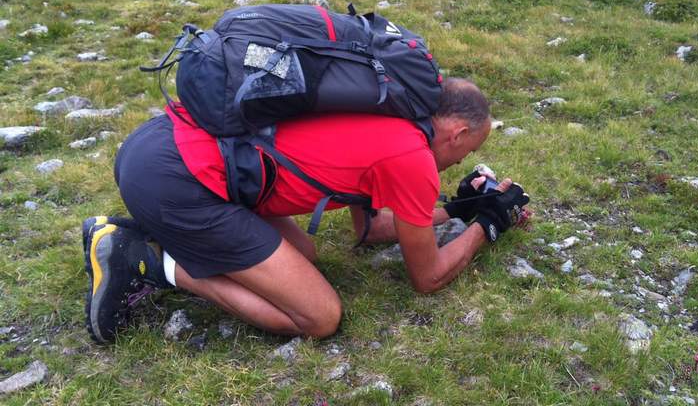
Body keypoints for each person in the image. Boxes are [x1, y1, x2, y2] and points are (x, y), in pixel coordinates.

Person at [82, 77, 528, 343]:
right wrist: (489, 224)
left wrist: (458, 209)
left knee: (303, 255)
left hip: (161, 145)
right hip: (176, 180)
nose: (462, 162)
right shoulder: (411, 157)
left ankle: (165, 230)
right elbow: (426, 278)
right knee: (318, 316)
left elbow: (369, 229)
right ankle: (146, 260)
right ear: (458, 131)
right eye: (470, 149)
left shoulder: (388, 110)